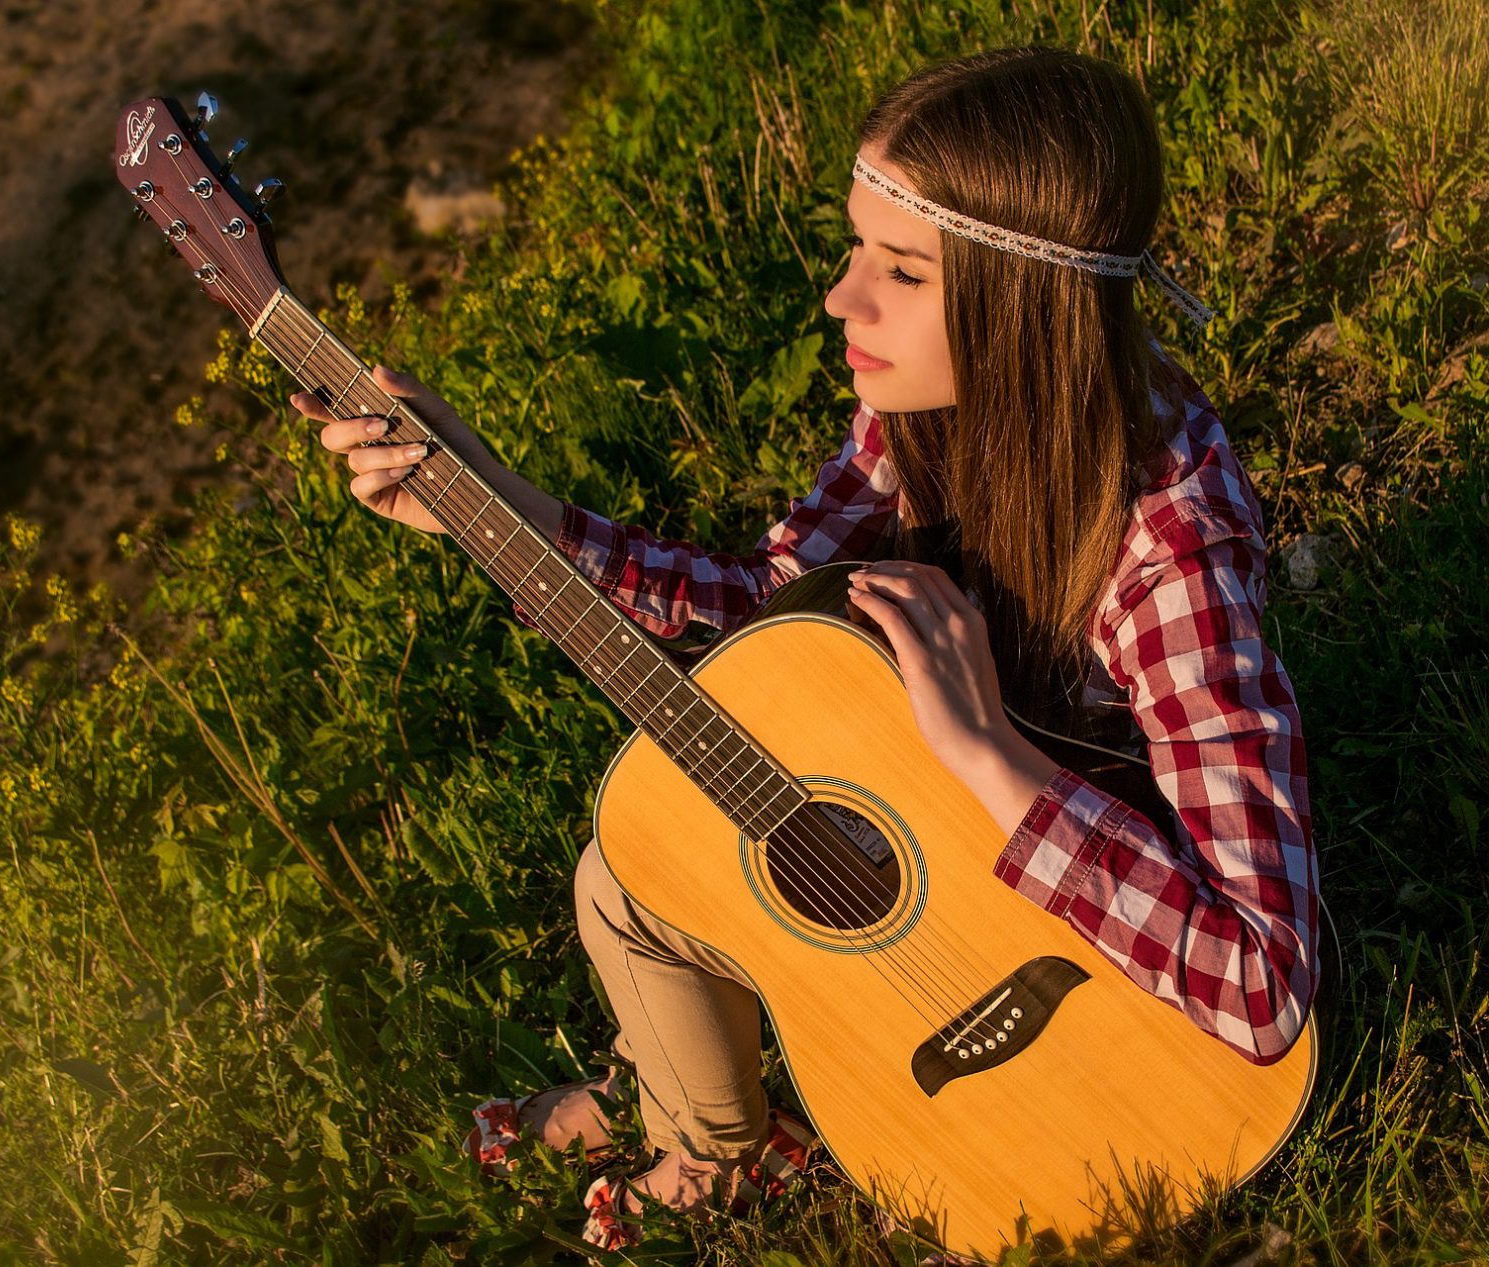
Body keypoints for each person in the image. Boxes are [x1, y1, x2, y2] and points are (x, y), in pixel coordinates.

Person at [290, 44, 1319, 1252]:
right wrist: (506, 508)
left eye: (899, 270)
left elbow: (1262, 983)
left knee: (616, 887)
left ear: (1019, 305)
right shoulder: (920, 408)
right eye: (853, 249)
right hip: (944, 834)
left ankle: (683, 1118)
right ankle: (716, 1135)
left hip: (1079, 960)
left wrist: (984, 752)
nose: (842, 299)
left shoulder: (1167, 554)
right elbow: (766, 603)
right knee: (627, 865)